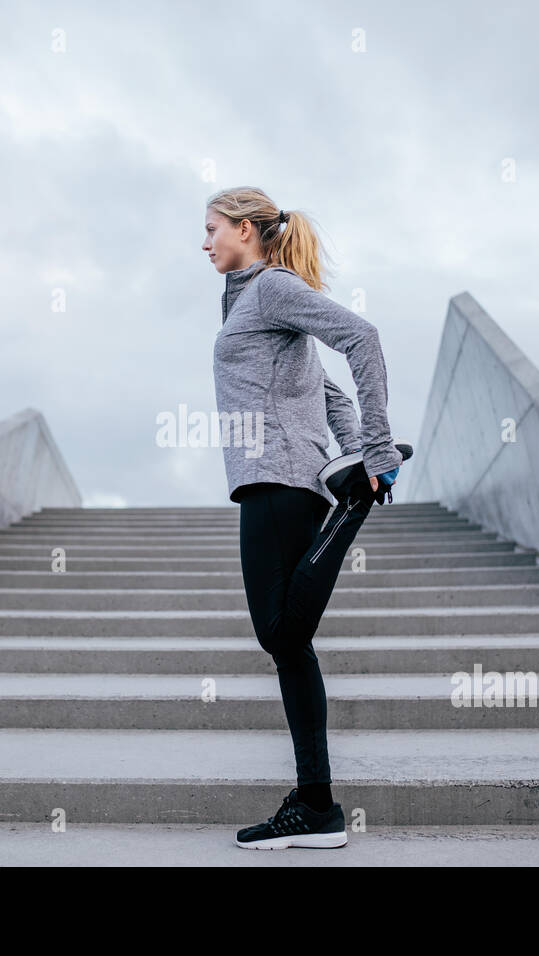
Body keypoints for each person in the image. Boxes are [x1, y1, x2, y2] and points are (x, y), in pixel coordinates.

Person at [204, 186, 409, 849]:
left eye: (211, 229)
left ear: (244, 228)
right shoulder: (247, 301)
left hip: (280, 479)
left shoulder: (271, 289)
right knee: (288, 645)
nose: (203, 242)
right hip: (273, 478)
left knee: (281, 637)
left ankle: (352, 506)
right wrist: (352, 449)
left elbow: (362, 337)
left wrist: (373, 449)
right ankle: (316, 806)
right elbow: (322, 384)